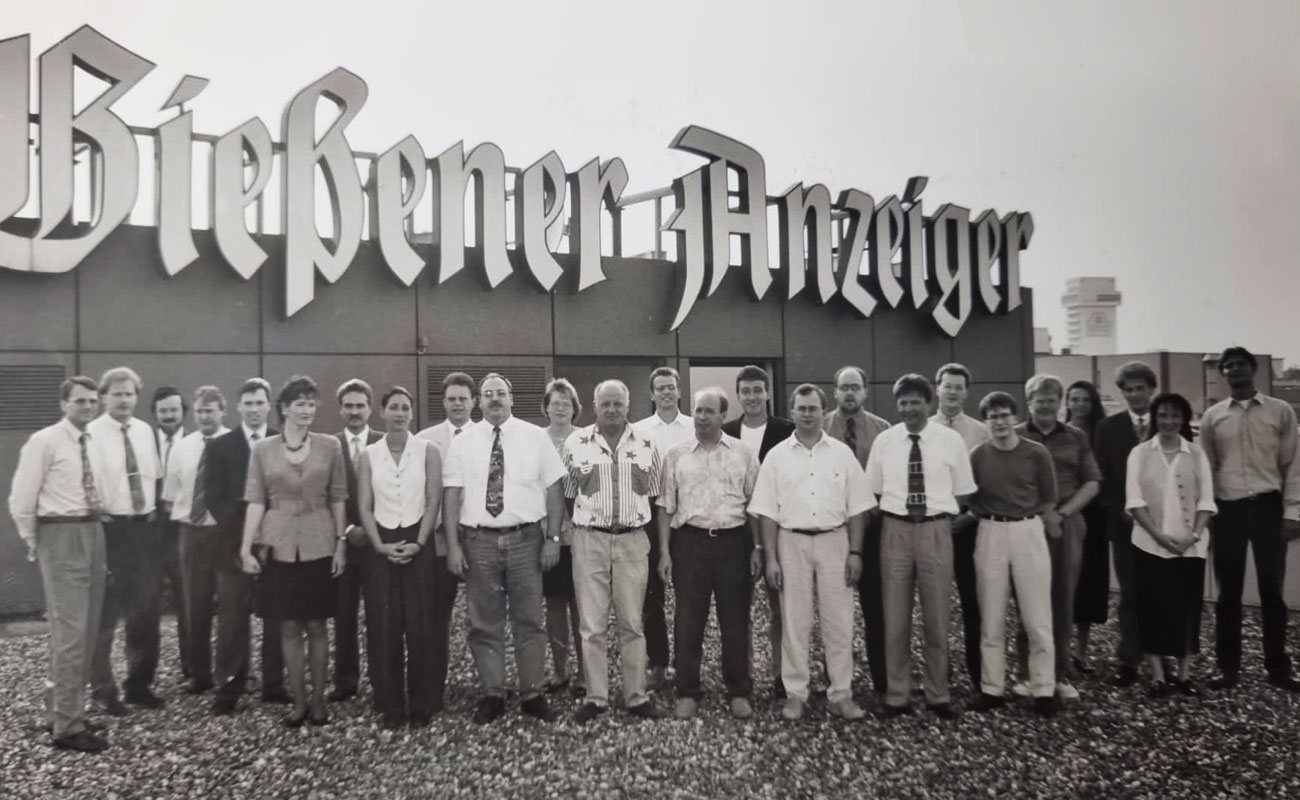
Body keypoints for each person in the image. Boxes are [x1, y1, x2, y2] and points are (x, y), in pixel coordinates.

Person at [444, 373, 567, 724]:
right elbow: (451, 494)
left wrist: (552, 539)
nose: (495, 399)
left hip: (526, 540)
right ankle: (492, 693)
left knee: (529, 620)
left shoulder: (534, 437)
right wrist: (453, 546)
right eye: (488, 394)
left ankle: (532, 693)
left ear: (512, 398)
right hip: (478, 541)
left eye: (501, 393)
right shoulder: (463, 442)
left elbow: (554, 489)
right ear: (479, 401)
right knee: (484, 622)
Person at [750, 383, 874, 722]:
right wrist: (772, 558)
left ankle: (841, 693)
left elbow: (857, 508)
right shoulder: (777, 456)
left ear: (823, 411)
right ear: (792, 412)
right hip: (792, 542)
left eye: (813, 408)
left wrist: (855, 552)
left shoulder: (841, 454)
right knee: (794, 621)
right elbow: (766, 513)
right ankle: (796, 694)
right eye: (801, 408)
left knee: (839, 620)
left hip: (835, 540)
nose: (807, 414)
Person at [7, 376, 110, 752]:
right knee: (71, 635)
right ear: (64, 404)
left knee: (88, 630)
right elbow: (21, 499)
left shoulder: (94, 441)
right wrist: (36, 542)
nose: (88, 407)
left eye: (92, 401)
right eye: (80, 401)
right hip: (61, 534)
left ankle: (62, 711)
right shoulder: (45, 441)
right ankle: (68, 727)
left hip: (93, 531)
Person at [239, 375, 348, 727]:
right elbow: (256, 501)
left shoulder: (330, 446)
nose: (307, 410)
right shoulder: (262, 450)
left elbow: (338, 498)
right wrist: (246, 548)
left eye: (311, 404)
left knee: (317, 624)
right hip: (279, 545)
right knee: (287, 626)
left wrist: (341, 544)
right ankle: (298, 702)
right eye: (300, 404)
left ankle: (319, 701)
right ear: (284, 408)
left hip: (319, 543)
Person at [866, 374, 974, 720]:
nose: (909, 409)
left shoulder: (950, 441)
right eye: (903, 403)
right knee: (895, 617)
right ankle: (897, 695)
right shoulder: (885, 441)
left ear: (929, 403)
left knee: (937, 616)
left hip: (935, 530)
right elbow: (874, 490)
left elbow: (963, 491)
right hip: (895, 530)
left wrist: (937, 518)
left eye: (915, 402)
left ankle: (937, 694)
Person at [565, 380, 668, 723]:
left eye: (617, 404)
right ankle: (596, 697)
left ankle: (636, 696)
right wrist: (590, 526)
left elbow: (654, 494)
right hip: (589, 540)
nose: (611, 409)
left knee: (632, 622)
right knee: (591, 625)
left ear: (628, 405)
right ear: (595, 406)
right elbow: (569, 495)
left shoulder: (648, 443)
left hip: (632, 540)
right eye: (605, 403)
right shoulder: (576, 443)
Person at [1199, 347, 1300, 691]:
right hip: (1228, 510)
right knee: (1228, 594)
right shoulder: (1212, 417)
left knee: (1272, 592)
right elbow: (1206, 469)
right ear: (1223, 373)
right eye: (1228, 366)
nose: (1234, 369)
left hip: (1268, 508)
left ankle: (1278, 668)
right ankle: (1227, 668)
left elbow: (1292, 466)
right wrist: (1207, 516)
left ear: (1253, 369)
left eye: (1240, 364)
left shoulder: (1280, 411)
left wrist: (1293, 513)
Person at [657, 388, 761, 720]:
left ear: (722, 415)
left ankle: (738, 690)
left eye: (709, 411)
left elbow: (755, 506)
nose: (702, 417)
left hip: (734, 543)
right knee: (688, 620)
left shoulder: (743, 453)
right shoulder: (676, 454)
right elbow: (665, 507)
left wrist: (758, 548)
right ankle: (687, 691)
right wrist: (664, 552)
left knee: (735, 619)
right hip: (690, 543)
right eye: (698, 410)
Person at [356, 386, 443, 727]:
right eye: (393, 407)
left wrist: (419, 543)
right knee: (384, 627)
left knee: (422, 626)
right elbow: (364, 505)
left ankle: (422, 703)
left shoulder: (428, 451)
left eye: (406, 407)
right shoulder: (369, 455)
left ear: (412, 412)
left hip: (419, 542)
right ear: (382, 412)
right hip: (382, 545)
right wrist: (379, 545)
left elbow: (433, 501)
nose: (400, 413)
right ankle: (390, 704)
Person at [968, 392, 1059, 717]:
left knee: (1037, 616)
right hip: (991, 531)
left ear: (1015, 417)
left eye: (1005, 415)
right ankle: (992, 689)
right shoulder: (978, 455)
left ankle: (1043, 688)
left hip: (1028, 530)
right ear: (986, 421)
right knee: (991, 616)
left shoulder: (1036, 453)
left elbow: (1049, 495)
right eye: (993, 417)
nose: (1000, 422)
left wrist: (1027, 516)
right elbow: (971, 498)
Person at [1013, 375, 1100, 702]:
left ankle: (1060, 673)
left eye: (1052, 399)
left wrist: (1061, 514)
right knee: (1027, 598)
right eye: (1040, 399)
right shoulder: (1016, 435)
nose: (1046, 405)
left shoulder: (1076, 437)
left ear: (1060, 403)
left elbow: (1091, 482)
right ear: (1029, 402)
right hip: (1026, 523)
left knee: (1063, 598)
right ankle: (1026, 673)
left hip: (1066, 523)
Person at [1124, 392, 1215, 697]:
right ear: (1154, 418)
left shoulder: (1197, 454)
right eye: (1163, 415)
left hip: (1191, 546)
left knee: (1187, 608)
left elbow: (1206, 501)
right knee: (1152, 607)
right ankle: (1158, 676)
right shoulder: (1139, 453)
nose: (1169, 421)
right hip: (1149, 544)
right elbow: (1135, 501)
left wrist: (1193, 536)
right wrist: (1159, 537)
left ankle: (1185, 674)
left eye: (1175, 415)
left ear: (1184, 419)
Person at [204, 378, 286, 714]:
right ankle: (228, 689)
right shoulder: (219, 447)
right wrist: (245, 539)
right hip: (232, 546)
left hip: (276, 544)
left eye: (259, 403)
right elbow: (214, 499)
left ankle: (274, 685)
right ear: (238, 407)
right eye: (248, 403)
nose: (254, 409)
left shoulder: (283, 442)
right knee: (232, 619)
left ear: (269, 406)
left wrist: (267, 534)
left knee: (277, 616)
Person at [88, 366, 165, 714]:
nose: (124, 399)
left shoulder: (146, 431)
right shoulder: (91, 433)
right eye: (117, 393)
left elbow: (155, 481)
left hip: (143, 530)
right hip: (110, 529)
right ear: (104, 397)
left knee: (146, 609)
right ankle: (103, 690)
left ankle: (139, 685)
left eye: (129, 393)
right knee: (105, 612)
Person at [721, 365, 794, 699]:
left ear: (767, 393)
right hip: (739, 533)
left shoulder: (788, 431)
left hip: (781, 528)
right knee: (739, 611)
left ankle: (783, 675)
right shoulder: (726, 432)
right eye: (745, 391)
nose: (752, 397)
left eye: (757, 390)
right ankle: (744, 675)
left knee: (782, 609)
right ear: (738, 395)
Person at [822, 365, 889, 695]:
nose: (849, 393)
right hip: (832, 529)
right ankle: (835, 678)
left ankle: (883, 679)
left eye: (855, 387)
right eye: (844, 387)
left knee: (876, 607)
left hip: (873, 530)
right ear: (834, 391)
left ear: (865, 391)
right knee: (832, 609)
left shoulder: (882, 431)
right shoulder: (819, 426)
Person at [161, 385, 230, 696]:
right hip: (192, 532)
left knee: (230, 604)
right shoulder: (182, 448)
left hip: (225, 532)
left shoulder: (235, 444)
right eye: (200, 411)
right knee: (194, 603)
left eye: (210, 411)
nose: (204, 417)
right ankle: (199, 673)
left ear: (222, 412)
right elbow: (171, 496)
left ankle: (231, 673)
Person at [1092, 360, 1157, 687]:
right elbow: (1101, 476)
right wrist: (1121, 510)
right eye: (1128, 390)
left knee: (1161, 593)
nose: (1134, 395)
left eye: (1140, 388)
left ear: (1151, 389)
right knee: (1130, 594)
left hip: (1164, 526)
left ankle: (1161, 659)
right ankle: (1129, 660)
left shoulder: (1169, 421)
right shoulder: (1108, 428)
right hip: (1125, 526)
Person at [415, 371, 477, 710]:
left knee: (485, 617)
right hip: (439, 541)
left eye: (463, 399)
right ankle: (432, 689)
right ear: (443, 402)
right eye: (452, 399)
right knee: (436, 616)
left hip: (480, 537)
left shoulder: (487, 436)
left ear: (473, 402)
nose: (457, 404)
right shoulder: (425, 440)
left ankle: (488, 689)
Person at [930, 363, 992, 693]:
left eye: (958, 387)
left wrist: (970, 516)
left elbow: (989, 483)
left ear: (966, 392)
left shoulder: (982, 433)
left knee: (973, 603)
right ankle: (939, 675)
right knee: (935, 605)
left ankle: (979, 675)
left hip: (970, 525)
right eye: (947, 385)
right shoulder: (923, 429)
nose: (952, 392)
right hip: (935, 526)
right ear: (937, 388)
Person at [632, 366, 694, 691]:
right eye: (660, 388)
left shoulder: (695, 427)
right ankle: (657, 662)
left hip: (687, 516)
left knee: (689, 597)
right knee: (651, 596)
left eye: (671, 387)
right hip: (650, 516)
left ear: (679, 391)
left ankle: (685, 665)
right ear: (652, 393)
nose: (666, 392)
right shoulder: (638, 430)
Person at [331, 378, 383, 703]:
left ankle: (381, 680)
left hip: (378, 543)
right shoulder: (329, 445)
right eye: (348, 406)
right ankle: (345, 681)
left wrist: (372, 530)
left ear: (370, 408)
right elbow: (326, 495)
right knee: (344, 616)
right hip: (343, 544)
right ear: (340, 409)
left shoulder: (383, 442)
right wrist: (349, 530)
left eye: (360, 406)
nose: (354, 412)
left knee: (379, 615)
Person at [541, 378, 584, 697]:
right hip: (546, 535)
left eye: (565, 403)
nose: (559, 408)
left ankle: (585, 673)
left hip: (581, 535)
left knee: (581, 605)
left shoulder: (586, 439)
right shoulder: (535, 440)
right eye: (554, 403)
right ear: (546, 408)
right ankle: (560, 670)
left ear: (575, 408)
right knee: (554, 604)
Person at [1065, 380, 1108, 673]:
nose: (1080, 405)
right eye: (1075, 399)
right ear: (1067, 402)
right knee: (1065, 579)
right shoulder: (1060, 433)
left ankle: (1081, 651)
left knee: (1090, 583)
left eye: (1086, 400)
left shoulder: (1101, 434)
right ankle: (1062, 647)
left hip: (1095, 514)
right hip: (1066, 511)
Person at [151, 385, 191, 684]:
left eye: (174, 410)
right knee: (145, 606)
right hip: (150, 532)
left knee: (188, 602)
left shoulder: (194, 443)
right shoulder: (143, 443)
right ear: (155, 413)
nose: (169, 415)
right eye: (163, 410)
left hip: (183, 531)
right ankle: (143, 677)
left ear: (183, 412)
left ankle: (193, 669)